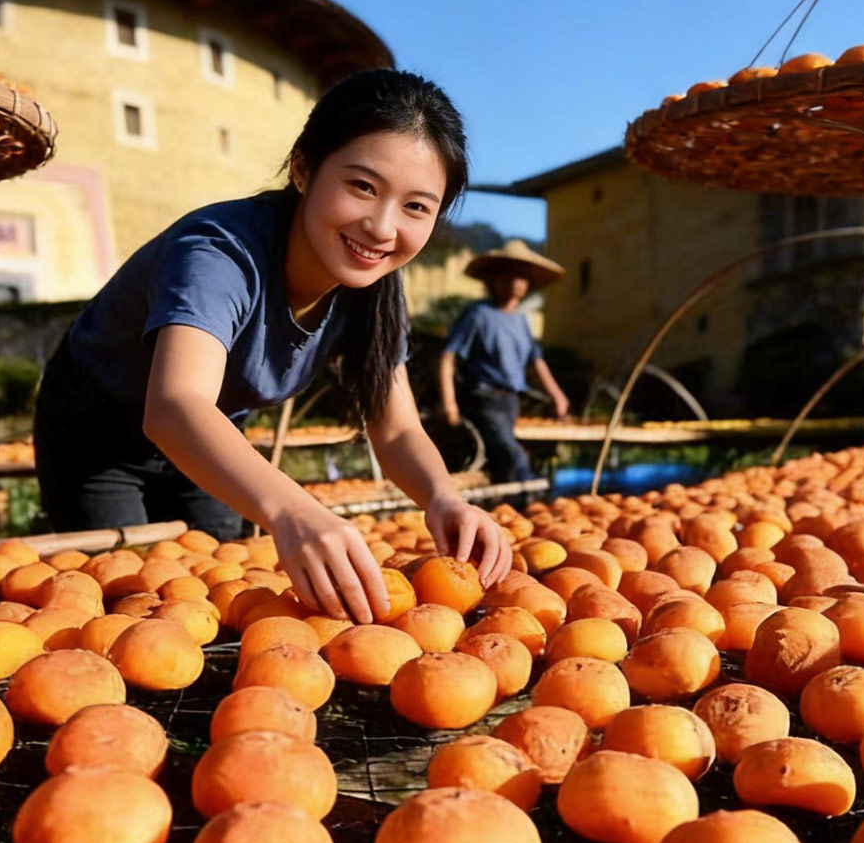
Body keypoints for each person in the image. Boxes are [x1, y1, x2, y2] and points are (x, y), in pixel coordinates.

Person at [33, 69, 513, 624]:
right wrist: (293, 510)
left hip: (210, 440)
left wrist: (443, 499)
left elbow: (398, 427)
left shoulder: (373, 289)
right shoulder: (219, 253)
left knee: (217, 595)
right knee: (125, 605)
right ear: (304, 169)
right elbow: (176, 406)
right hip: (98, 437)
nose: (382, 227)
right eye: (362, 186)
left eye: (416, 207)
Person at [436, 239, 570, 484]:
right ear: (494, 280)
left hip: (511, 401)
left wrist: (557, 395)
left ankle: (506, 509)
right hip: (483, 400)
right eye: (508, 276)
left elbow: (536, 361)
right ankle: (529, 501)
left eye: (521, 277)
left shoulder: (521, 321)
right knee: (512, 455)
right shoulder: (478, 315)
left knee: (501, 460)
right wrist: (449, 403)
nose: (515, 283)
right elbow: (449, 356)